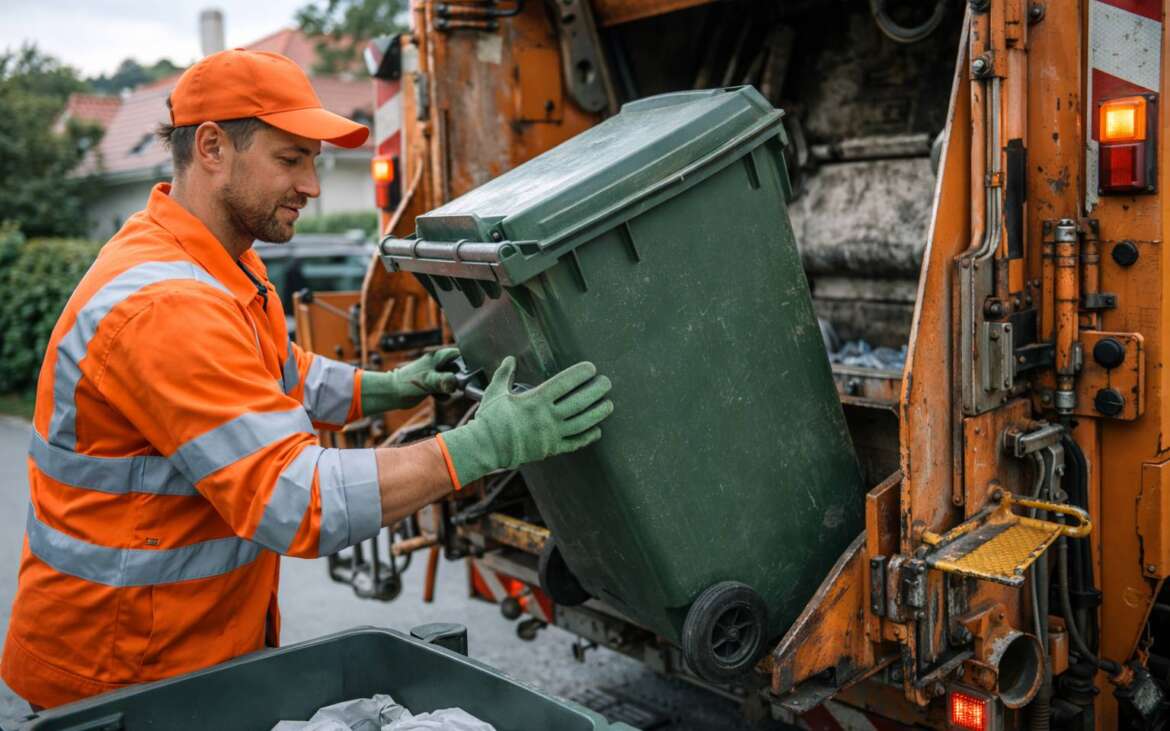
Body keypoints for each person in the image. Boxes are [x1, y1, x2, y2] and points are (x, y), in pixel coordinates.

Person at [2, 49, 614, 709]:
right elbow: (300, 499)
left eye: (314, 161)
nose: (312, 184)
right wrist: (482, 445)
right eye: (291, 159)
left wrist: (398, 384)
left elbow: (286, 373)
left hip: (177, 658)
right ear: (212, 147)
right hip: (121, 680)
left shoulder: (217, 265)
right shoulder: (167, 307)